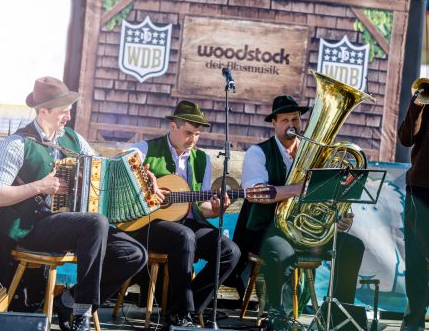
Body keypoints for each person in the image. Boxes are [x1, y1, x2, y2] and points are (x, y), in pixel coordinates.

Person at [0, 76, 158, 331]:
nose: (68, 116)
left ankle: (68, 301)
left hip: (74, 226)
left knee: (135, 254)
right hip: (31, 228)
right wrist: (40, 186)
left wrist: (144, 180)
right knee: (95, 222)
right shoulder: (16, 144)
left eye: (69, 110)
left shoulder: (73, 140)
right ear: (42, 110)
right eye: (63, 111)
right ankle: (82, 312)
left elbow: (105, 168)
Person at [240, 95, 365, 320]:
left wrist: (340, 216)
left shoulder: (316, 154)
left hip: (307, 233)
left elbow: (331, 197)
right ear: (274, 123)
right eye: (285, 120)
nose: (291, 125)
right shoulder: (257, 153)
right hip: (269, 230)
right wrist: (298, 189)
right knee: (281, 253)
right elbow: (254, 193)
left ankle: (339, 316)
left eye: (295, 120)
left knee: (353, 246)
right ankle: (279, 316)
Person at [127, 100, 241, 327]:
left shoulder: (202, 160)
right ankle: (181, 315)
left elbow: (201, 208)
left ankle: (181, 308)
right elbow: (120, 165)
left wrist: (218, 208)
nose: (193, 139)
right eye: (189, 133)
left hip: (187, 225)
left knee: (230, 251)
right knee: (183, 236)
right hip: (150, 223)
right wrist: (147, 184)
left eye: (197, 134)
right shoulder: (145, 148)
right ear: (173, 127)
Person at [398, 93, 429, 331]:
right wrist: (417, 106)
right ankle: (414, 320)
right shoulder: (426, 102)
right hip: (420, 189)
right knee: (416, 259)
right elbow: (406, 138)